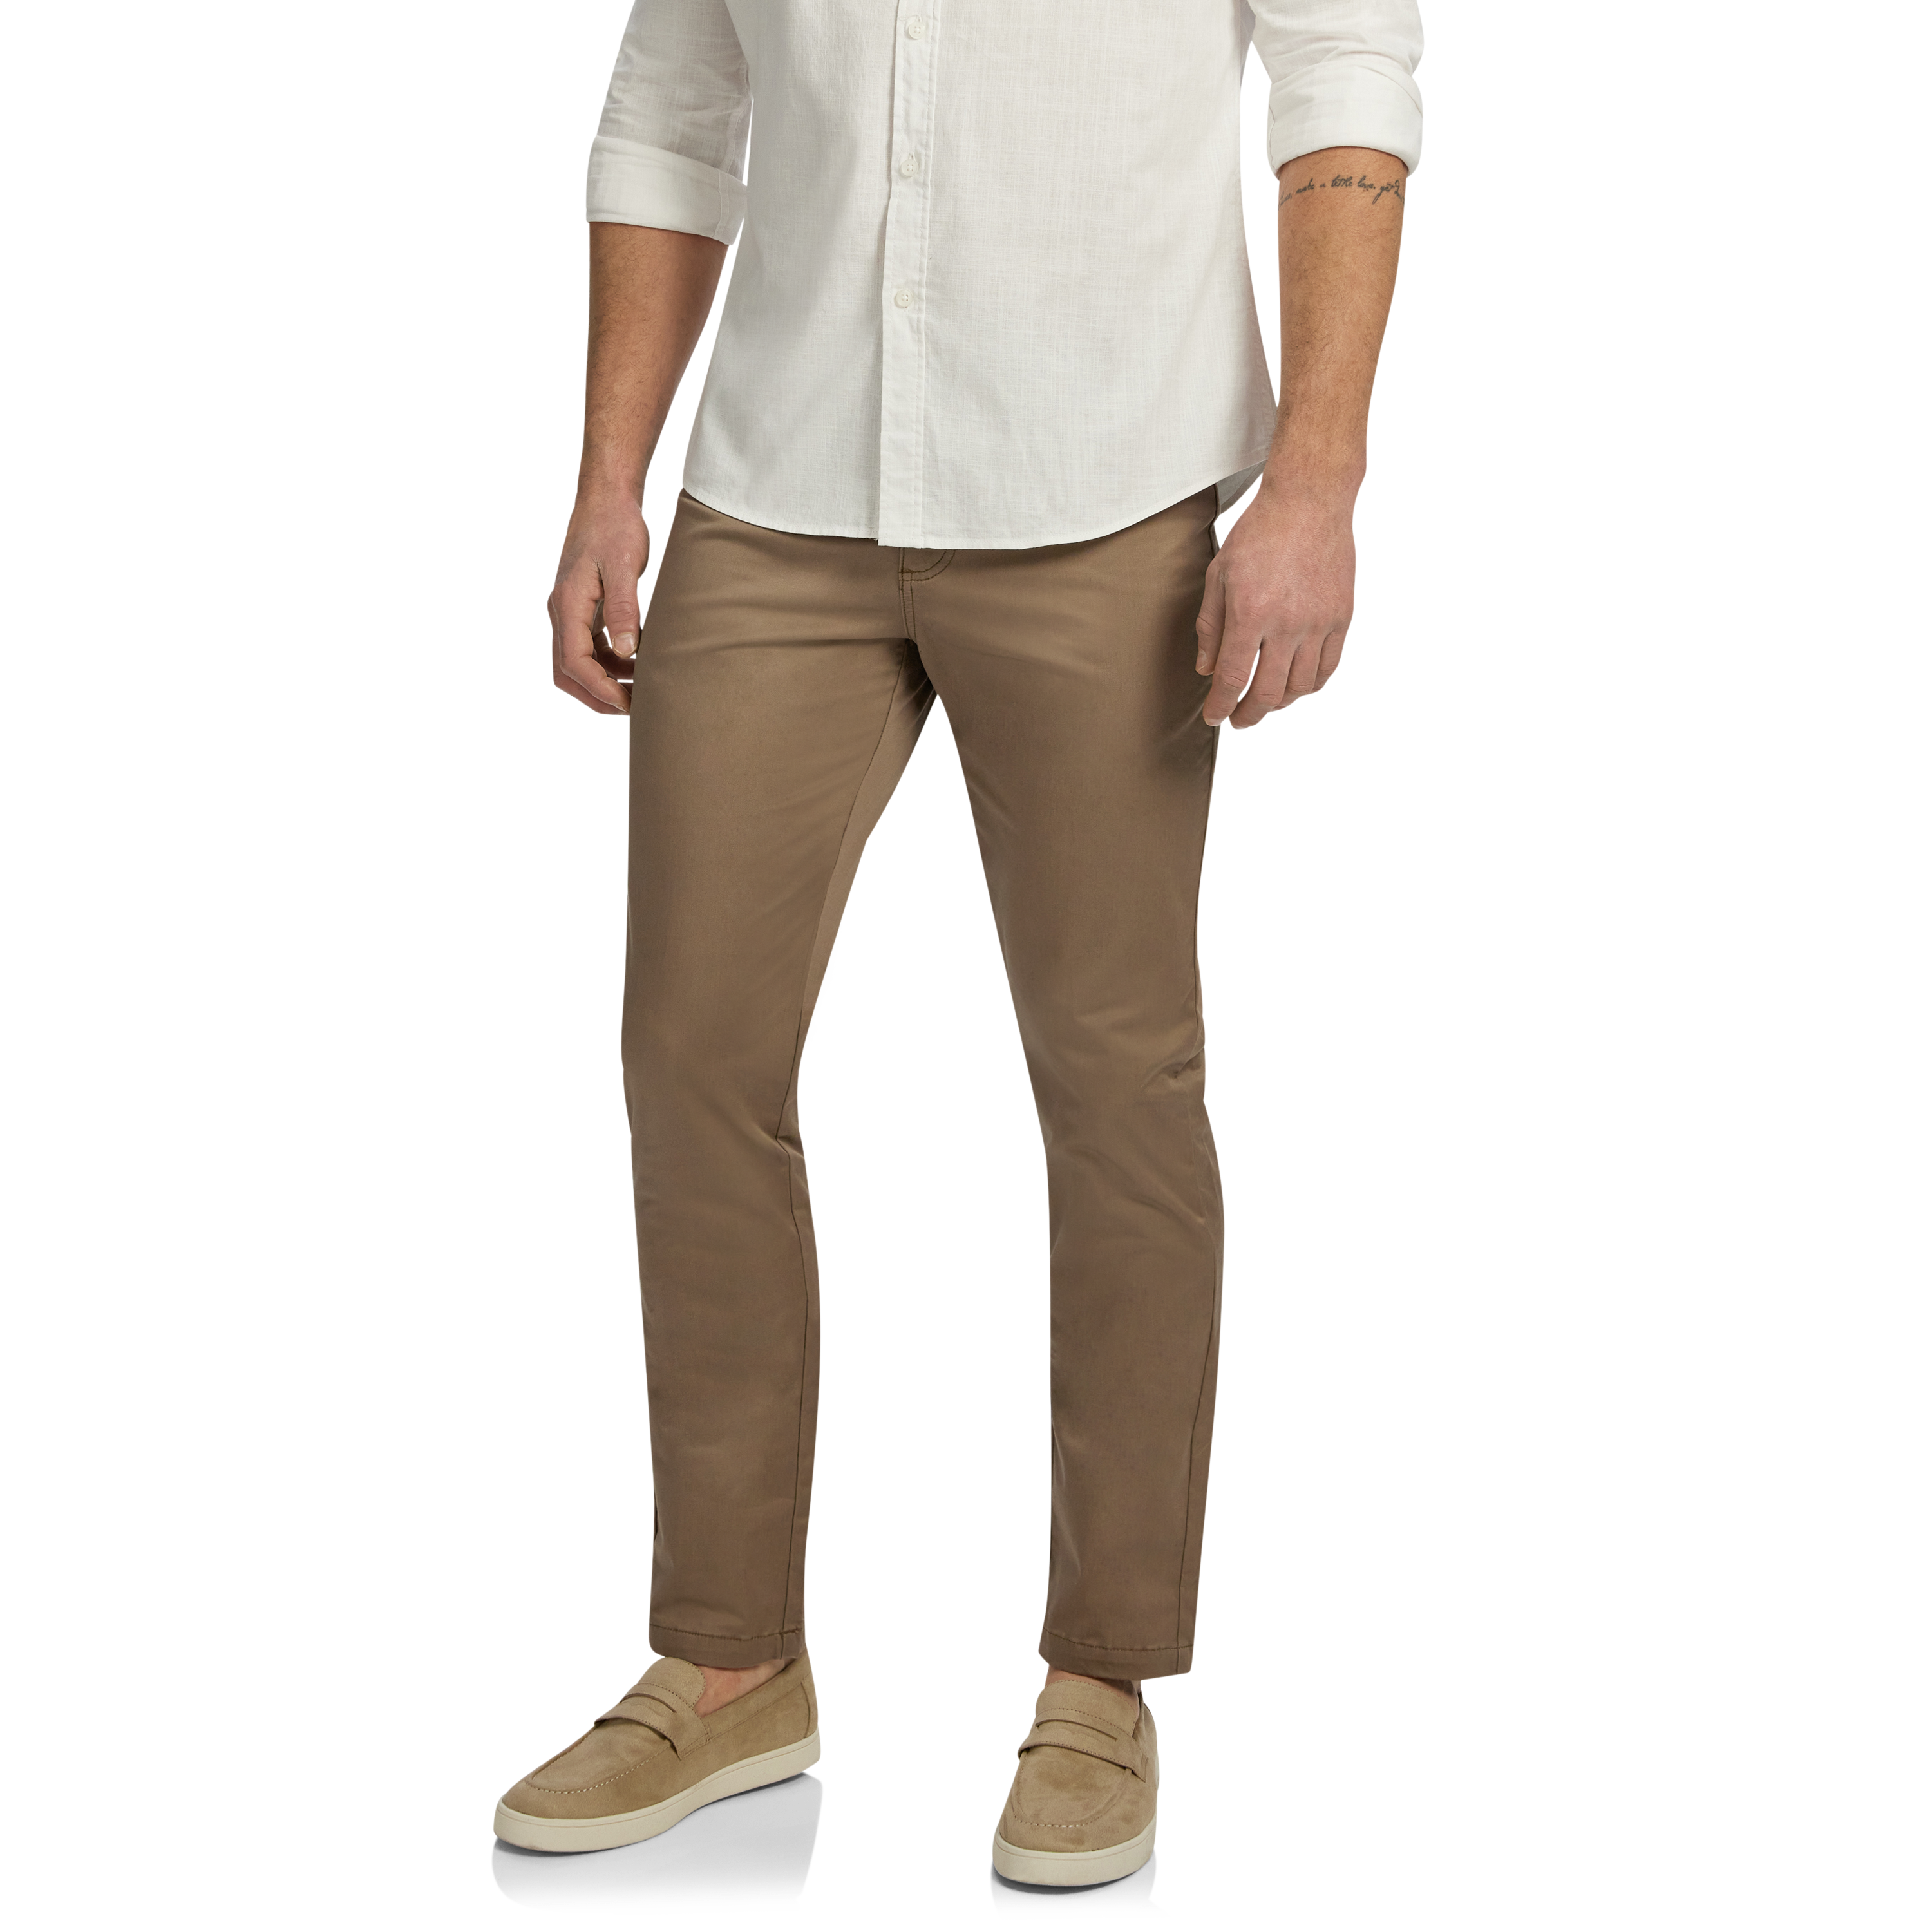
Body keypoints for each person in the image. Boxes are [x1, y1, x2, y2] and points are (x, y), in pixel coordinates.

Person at [493, 0, 1423, 1889]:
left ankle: (1101, 1681)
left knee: (1115, 1074)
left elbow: (1345, 78)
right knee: (693, 1048)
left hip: (1109, 477)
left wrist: (1317, 482)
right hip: (774, 483)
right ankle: (729, 1662)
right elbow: (672, 110)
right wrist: (606, 479)